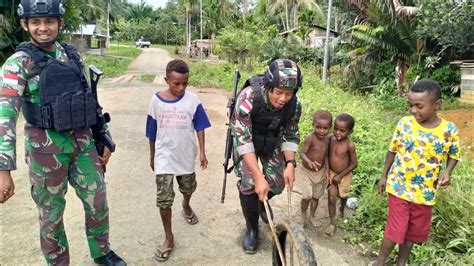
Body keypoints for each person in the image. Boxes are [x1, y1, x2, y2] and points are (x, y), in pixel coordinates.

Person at [0, 1, 126, 265]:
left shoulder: (72, 55)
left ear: (59, 23)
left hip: (82, 143)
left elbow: (89, 99)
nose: (43, 28)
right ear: (25, 24)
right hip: (45, 150)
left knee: (98, 202)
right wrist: (3, 171)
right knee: (51, 215)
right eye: (36, 22)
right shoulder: (17, 64)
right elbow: (5, 118)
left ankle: (102, 252)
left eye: (49, 22)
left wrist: (102, 137)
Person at [374, 80, 461, 265]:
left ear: (437, 105)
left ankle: (401, 262)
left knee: (412, 233)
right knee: (395, 229)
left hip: (425, 193)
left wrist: (448, 171)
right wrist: (384, 175)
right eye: (410, 105)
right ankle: (380, 262)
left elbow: (454, 154)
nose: (413, 110)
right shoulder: (405, 123)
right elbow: (392, 150)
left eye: (419, 106)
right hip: (399, 187)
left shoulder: (449, 130)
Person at [230, 59, 302, 254]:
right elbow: (243, 141)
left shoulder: (294, 104)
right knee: (249, 185)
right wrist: (258, 176)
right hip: (247, 142)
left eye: (289, 93)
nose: (283, 99)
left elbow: (290, 133)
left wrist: (290, 163)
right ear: (268, 86)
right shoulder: (247, 98)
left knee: (278, 183)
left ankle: (261, 201)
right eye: (278, 92)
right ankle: (252, 228)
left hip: (272, 139)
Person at [145, 59, 210, 262]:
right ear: (167, 80)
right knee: (164, 198)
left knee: (188, 187)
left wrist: (202, 152)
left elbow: (200, 126)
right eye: (176, 83)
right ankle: (169, 237)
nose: (181, 87)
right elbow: (151, 131)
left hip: (185, 154)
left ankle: (186, 204)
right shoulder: (156, 101)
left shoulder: (193, 100)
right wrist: (152, 154)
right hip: (164, 156)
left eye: (185, 83)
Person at [325, 113, 358, 236]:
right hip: (332, 173)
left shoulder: (350, 145)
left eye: (342, 130)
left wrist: (341, 175)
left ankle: (342, 207)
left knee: (342, 196)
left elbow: (354, 164)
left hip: (344, 175)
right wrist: (328, 170)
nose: (338, 132)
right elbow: (327, 156)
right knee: (332, 197)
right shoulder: (330, 139)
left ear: (350, 132)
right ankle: (332, 223)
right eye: (336, 129)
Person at [299, 110, 332, 228]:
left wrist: (327, 170)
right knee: (307, 196)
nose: (321, 131)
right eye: (318, 127)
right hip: (306, 171)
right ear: (313, 125)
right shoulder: (310, 138)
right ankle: (303, 214)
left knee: (316, 196)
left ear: (330, 128)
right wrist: (309, 161)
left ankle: (312, 215)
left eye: (325, 128)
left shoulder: (329, 140)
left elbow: (327, 155)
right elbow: (302, 153)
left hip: (321, 172)